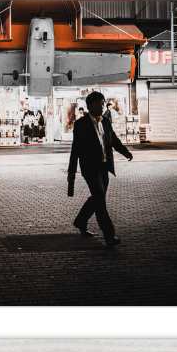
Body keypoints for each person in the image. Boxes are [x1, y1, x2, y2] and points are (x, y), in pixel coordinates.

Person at [67, 91, 133, 247]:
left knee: (96, 199)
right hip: (90, 169)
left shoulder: (105, 122)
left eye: (103, 103)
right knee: (100, 202)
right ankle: (109, 236)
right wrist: (72, 170)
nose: (102, 106)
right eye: (98, 103)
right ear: (89, 106)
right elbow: (75, 148)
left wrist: (125, 152)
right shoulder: (81, 124)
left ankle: (80, 222)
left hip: (104, 167)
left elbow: (113, 140)